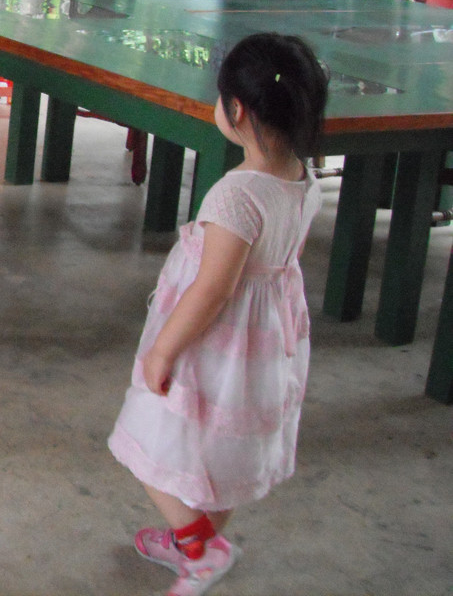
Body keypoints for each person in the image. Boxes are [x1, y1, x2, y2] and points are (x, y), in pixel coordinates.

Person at [108, 32, 329, 596]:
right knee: (223, 453)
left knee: (149, 439)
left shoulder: (237, 195)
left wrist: (162, 349)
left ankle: (200, 549)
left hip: (215, 344)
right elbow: (280, 266)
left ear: (238, 111)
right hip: (265, 346)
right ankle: (194, 540)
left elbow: (212, 290)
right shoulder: (304, 181)